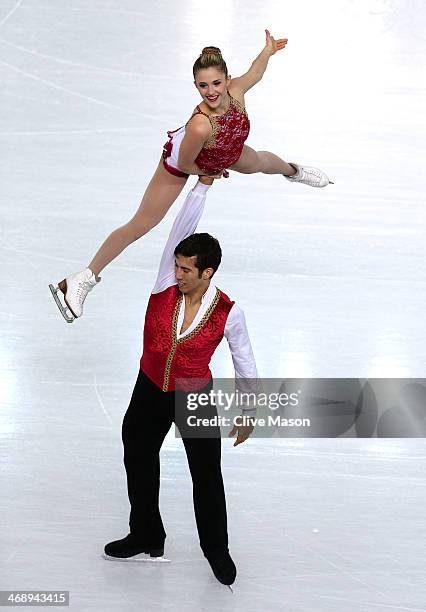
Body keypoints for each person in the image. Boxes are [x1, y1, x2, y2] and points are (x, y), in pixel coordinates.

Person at [49, 29, 333, 323]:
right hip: (186, 161)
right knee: (142, 224)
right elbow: (186, 163)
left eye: (216, 83)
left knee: (260, 161)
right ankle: (83, 278)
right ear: (195, 86)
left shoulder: (236, 91)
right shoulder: (200, 125)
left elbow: (255, 73)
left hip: (226, 147)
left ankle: (294, 171)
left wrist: (268, 51)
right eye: (202, 86)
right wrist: (211, 171)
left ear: (227, 79)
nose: (211, 91)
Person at [102, 176, 258, 587]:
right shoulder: (165, 285)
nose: (178, 272)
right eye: (176, 264)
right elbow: (180, 229)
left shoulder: (229, 312)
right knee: (137, 452)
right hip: (149, 386)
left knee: (206, 473)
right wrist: (201, 186)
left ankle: (216, 549)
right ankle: (147, 533)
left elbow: (245, 363)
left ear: (208, 271)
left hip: (194, 395)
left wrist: (248, 411)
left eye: (187, 268)